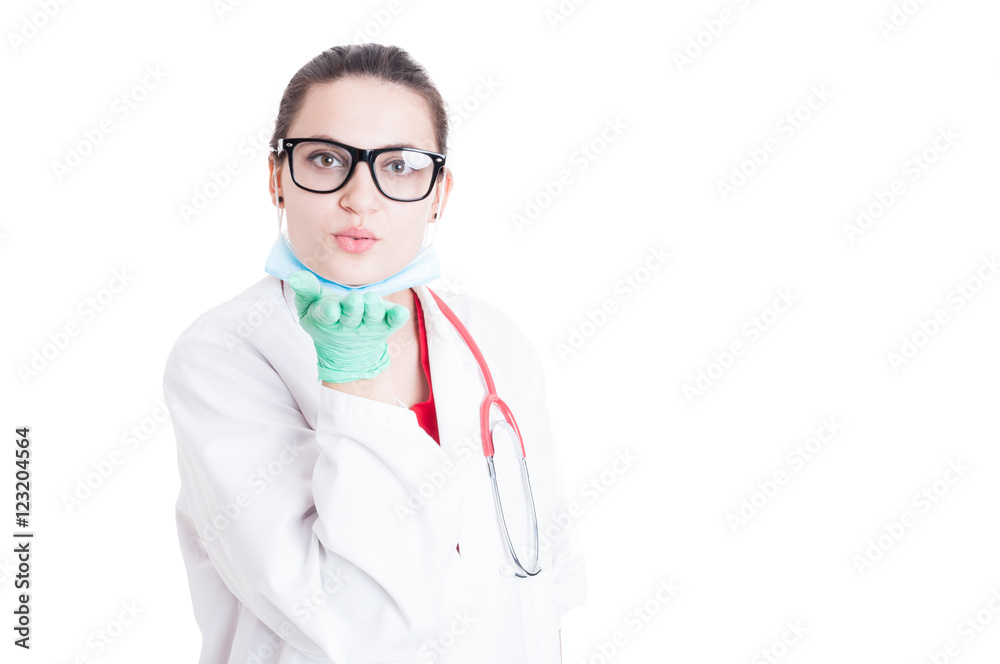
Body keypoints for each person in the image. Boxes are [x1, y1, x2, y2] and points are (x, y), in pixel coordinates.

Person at [163, 43, 587, 664]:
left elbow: (546, 581)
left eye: (401, 165)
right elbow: (351, 624)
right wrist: (355, 382)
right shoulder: (222, 356)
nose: (360, 199)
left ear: (439, 192)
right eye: (326, 159)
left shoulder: (494, 341)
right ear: (278, 178)